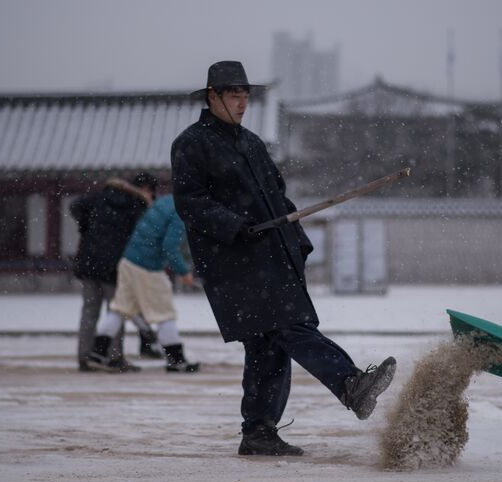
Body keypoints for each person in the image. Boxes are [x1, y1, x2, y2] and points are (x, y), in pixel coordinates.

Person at [171, 60, 396, 456]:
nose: (242, 103)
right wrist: (234, 225)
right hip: (234, 264)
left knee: (267, 344)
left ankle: (258, 431)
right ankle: (350, 384)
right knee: (290, 325)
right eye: (234, 95)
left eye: (245, 95)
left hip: (272, 256)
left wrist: (298, 239)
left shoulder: (252, 143)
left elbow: (280, 199)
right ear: (212, 96)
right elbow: (191, 204)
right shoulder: (191, 144)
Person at [86, 195, 200, 373]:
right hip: (148, 268)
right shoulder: (180, 212)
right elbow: (170, 246)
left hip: (129, 261)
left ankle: (97, 353)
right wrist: (184, 272)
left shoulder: (166, 201)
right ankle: (176, 360)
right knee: (164, 313)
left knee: (120, 309)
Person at [70, 173, 162, 372]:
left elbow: (75, 206)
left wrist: (87, 230)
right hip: (114, 265)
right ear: (146, 189)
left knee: (89, 311)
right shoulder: (136, 205)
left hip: (89, 262)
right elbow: (140, 238)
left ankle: (84, 356)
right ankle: (114, 357)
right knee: (117, 311)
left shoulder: (98, 198)